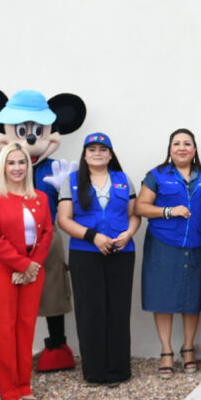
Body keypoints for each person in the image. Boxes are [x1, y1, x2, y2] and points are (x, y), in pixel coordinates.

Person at [56, 132, 139, 386]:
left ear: (111, 155)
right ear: (84, 155)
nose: (97, 153)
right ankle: (95, 371)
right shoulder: (72, 181)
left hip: (121, 253)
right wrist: (93, 237)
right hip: (86, 254)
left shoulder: (123, 180)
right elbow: (64, 219)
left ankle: (119, 370)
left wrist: (128, 233)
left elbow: (134, 215)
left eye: (103, 149)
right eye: (92, 149)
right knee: (90, 311)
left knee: (118, 310)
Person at [134, 129, 201, 379]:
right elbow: (140, 207)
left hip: (198, 244)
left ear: (194, 149)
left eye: (187, 144)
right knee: (163, 298)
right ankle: (166, 351)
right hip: (163, 244)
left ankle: (188, 348)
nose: (182, 148)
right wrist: (169, 211)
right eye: (176, 143)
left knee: (193, 299)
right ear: (170, 149)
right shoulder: (156, 175)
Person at [0, 142, 53, 400]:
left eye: (21, 162)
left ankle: (23, 384)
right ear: (3, 167)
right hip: (2, 270)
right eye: (11, 162)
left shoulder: (40, 197)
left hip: (33, 271)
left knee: (26, 327)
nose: (17, 167)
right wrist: (22, 265)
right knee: (4, 330)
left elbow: (47, 233)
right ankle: (8, 389)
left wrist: (32, 266)